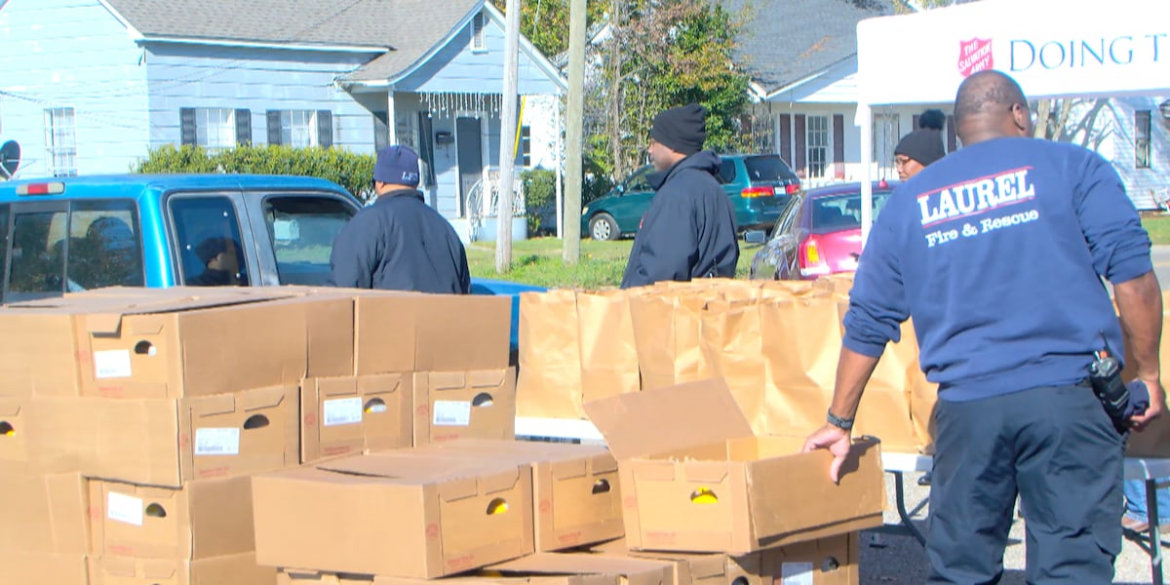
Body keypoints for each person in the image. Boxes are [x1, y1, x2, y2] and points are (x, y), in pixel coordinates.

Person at [802, 70, 1164, 583]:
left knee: (961, 571)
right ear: (1019, 114)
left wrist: (839, 423)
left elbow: (867, 321)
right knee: (1073, 568)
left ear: (958, 130)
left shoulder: (910, 203)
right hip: (1068, 402)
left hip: (968, 411)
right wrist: (1146, 374)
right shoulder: (1073, 167)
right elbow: (1134, 278)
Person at [620, 104, 739, 289]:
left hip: (675, 313)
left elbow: (660, 274)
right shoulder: (714, 189)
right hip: (709, 308)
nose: (650, 151)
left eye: (654, 143)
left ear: (673, 145)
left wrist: (626, 303)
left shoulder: (677, 195)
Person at [329, 145, 470, 294]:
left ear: (380, 182)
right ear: (415, 183)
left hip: (388, 316)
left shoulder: (367, 223)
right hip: (444, 316)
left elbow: (341, 293)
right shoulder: (446, 229)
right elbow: (465, 293)